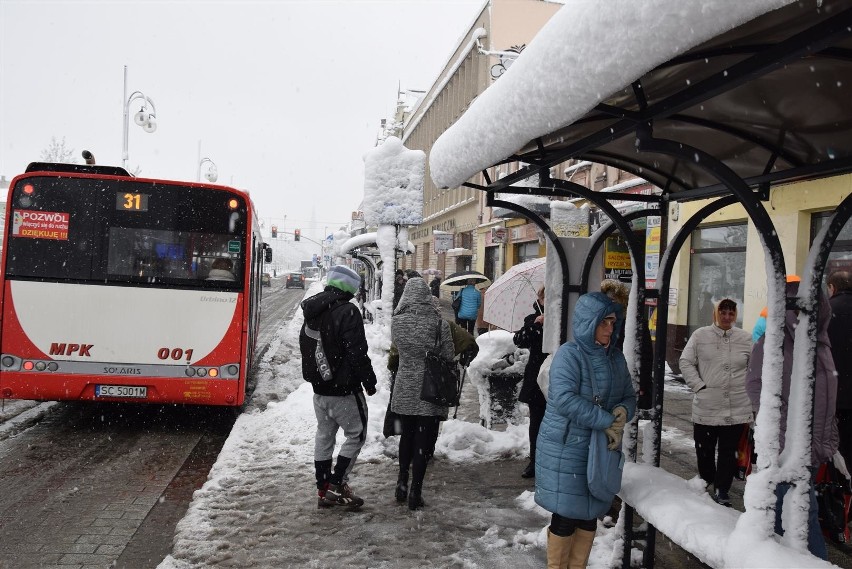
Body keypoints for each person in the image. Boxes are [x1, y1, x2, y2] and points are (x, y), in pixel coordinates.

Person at [536, 292, 636, 568]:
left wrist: (623, 412)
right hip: (567, 448)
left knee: (589, 513)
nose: (609, 329)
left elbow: (629, 395)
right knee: (567, 513)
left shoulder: (616, 358)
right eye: (604, 323)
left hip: (599, 451)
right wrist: (607, 421)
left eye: (613, 323)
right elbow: (564, 399)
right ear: (588, 323)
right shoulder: (570, 354)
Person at [746, 278, 838, 559]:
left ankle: (766, 558)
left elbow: (824, 393)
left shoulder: (819, 342)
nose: (804, 315)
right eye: (798, 309)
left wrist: (829, 434)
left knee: (786, 517)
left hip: (811, 446)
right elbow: (755, 385)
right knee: (801, 515)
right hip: (786, 446)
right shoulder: (773, 341)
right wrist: (782, 427)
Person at [299, 265, 378, 510]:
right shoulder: (348, 311)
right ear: (349, 287)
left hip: (320, 390)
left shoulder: (314, 309)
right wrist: (369, 379)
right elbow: (357, 351)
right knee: (357, 434)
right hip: (343, 389)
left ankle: (322, 489)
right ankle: (337, 485)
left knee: (325, 436)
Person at [678, 298, 752, 507]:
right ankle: (706, 480)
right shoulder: (700, 336)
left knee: (729, 452)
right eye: (723, 313)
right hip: (707, 405)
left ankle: (722, 489)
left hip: (736, 406)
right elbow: (686, 361)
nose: (727, 317)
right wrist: (699, 386)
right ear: (715, 314)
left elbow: (755, 368)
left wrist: (748, 391)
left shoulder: (745, 338)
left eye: (731, 313)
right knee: (705, 450)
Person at [390, 277, 455, 510]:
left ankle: (401, 482)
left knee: (406, 436)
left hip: (405, 385)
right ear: (427, 296)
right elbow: (448, 355)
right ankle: (416, 490)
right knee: (423, 441)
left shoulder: (396, 322)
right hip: (430, 388)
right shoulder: (440, 324)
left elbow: (397, 350)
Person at [601, 279, 654, 409]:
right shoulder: (597, 321)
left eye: (613, 300)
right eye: (606, 299)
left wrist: (642, 384)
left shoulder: (635, 322)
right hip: (603, 380)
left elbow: (646, 355)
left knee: (623, 419)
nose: (610, 303)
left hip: (625, 379)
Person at [513, 285, 548, 479]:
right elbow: (519, 340)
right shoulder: (532, 319)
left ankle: (551, 460)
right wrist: (536, 325)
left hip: (557, 375)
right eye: (543, 297)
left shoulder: (564, 318)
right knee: (536, 420)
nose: (543, 301)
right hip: (536, 378)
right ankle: (534, 460)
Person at [828, 270, 852, 471]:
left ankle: (843, 493)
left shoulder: (827, 312)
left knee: (838, 448)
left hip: (835, 394)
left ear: (832, 288)